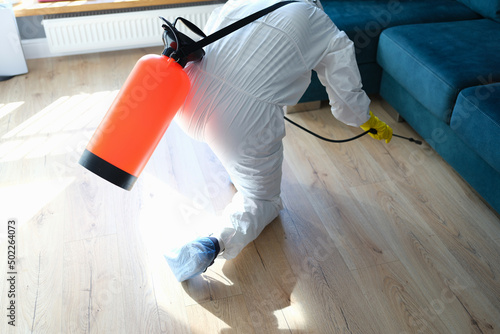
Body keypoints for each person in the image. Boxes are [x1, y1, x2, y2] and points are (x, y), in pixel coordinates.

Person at [164, 0, 393, 282]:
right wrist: (368, 121)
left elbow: (210, 33)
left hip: (186, 93)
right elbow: (345, 95)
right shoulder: (322, 24)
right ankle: (211, 245)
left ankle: (236, 165)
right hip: (238, 125)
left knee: (232, 144)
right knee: (262, 199)